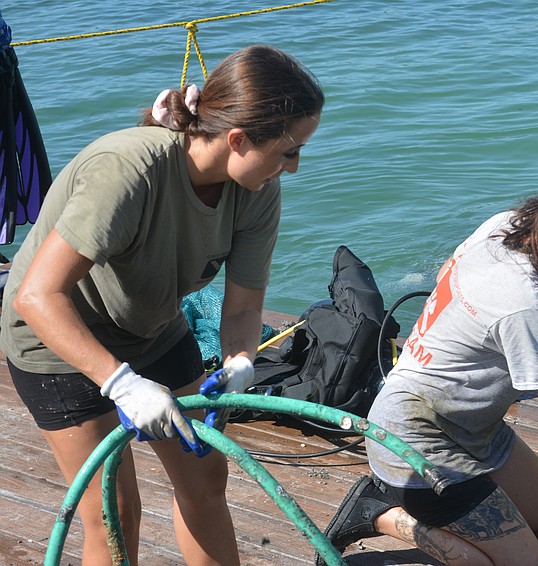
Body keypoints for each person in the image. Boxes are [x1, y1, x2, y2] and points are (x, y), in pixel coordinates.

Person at [0, 44, 323, 565]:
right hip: (53, 337)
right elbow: (37, 295)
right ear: (238, 139)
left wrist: (241, 359)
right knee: (113, 510)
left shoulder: (257, 189)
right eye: (289, 152)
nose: (295, 167)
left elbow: (243, 308)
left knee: (205, 477)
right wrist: (122, 384)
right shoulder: (128, 170)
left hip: (152, 327)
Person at [319, 186, 538, 566]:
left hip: (472, 422)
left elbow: (447, 274)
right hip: (413, 438)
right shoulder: (527, 307)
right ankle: (379, 512)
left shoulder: (510, 226)